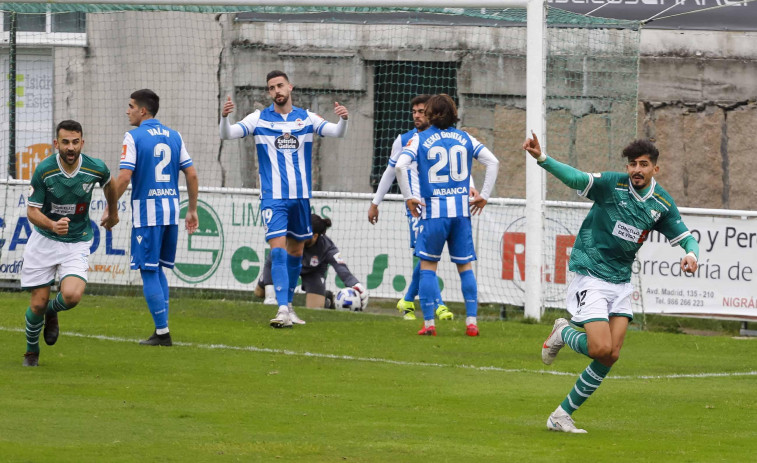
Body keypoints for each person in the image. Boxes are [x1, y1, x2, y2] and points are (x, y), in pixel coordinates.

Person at [523, 133, 699, 433]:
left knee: (611, 355)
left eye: (643, 164)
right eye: (632, 164)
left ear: (655, 169)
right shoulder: (612, 185)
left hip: (621, 282)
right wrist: (542, 159)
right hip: (590, 273)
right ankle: (564, 332)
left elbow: (685, 236)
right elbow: (576, 178)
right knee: (598, 347)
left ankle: (560, 415)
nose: (636, 170)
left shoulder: (661, 203)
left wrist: (692, 254)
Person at [220, 70, 353, 328]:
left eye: (280, 85)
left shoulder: (306, 117)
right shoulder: (259, 118)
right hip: (274, 198)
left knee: (296, 251)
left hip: (300, 197)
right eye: (271, 88)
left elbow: (337, 133)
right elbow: (228, 134)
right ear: (269, 92)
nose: (276, 91)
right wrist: (225, 118)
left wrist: (344, 120)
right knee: (278, 250)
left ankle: (289, 306)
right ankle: (281, 308)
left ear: (290, 87)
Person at [395, 94, 499, 337]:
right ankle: (472, 323)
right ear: (454, 113)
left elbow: (400, 166)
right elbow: (493, 162)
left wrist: (409, 196)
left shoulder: (420, 139)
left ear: (430, 114)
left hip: (433, 214)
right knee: (465, 267)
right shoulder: (464, 137)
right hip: (461, 214)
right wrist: (484, 195)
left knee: (428, 267)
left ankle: (430, 324)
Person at [21, 120, 120, 366]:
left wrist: (114, 211)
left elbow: (110, 183)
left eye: (75, 142)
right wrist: (52, 225)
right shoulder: (45, 170)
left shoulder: (95, 168)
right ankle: (31, 351)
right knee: (37, 304)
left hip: (76, 241)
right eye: (65, 142)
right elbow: (32, 212)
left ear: (82, 143)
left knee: (73, 296)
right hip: (44, 239)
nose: (70, 147)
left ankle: (53, 311)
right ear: (56, 144)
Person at [113, 89, 199, 347]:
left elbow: (125, 176)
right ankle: (161, 328)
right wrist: (192, 209)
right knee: (158, 268)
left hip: (147, 213)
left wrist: (110, 205)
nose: (127, 111)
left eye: (130, 106)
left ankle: (162, 333)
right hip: (172, 211)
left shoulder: (133, 136)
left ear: (143, 111)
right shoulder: (175, 136)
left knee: (148, 270)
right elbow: (192, 175)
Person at [367, 94, 453, 322]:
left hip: (439, 206)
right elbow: (390, 172)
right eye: (414, 111)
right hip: (415, 207)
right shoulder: (403, 140)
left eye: (421, 111)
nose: (416, 115)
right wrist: (375, 203)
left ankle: (407, 299)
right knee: (424, 254)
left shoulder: (443, 138)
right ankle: (440, 305)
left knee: (426, 255)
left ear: (433, 113)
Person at [254, 214, 368, 315]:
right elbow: (272, 259)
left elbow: (341, 268)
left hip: (313, 272)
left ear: (315, 236)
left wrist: (356, 284)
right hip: (287, 268)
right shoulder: (291, 236)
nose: (302, 234)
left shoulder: (327, 247)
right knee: (259, 293)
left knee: (315, 310)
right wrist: (269, 293)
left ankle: (327, 301)